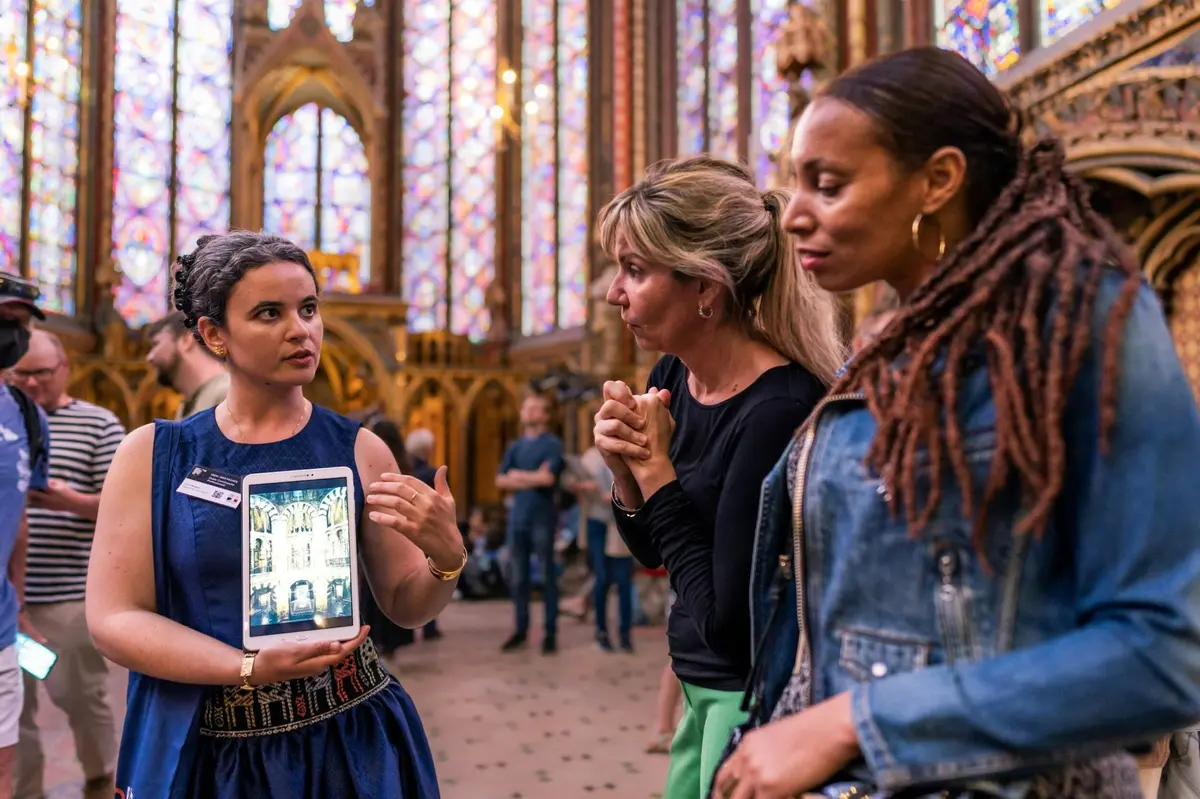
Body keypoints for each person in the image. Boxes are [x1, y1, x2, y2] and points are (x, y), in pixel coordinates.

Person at [711, 47, 1200, 799]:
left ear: (937, 179)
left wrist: (858, 722)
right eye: (793, 182)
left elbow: (1163, 653)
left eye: (827, 184)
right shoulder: (887, 342)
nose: (794, 213)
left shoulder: (1080, 324)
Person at [86, 232, 468, 797]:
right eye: (270, 313)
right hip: (208, 749)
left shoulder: (360, 449)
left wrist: (446, 557)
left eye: (308, 308)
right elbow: (114, 620)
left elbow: (406, 607)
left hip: (347, 741)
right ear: (214, 334)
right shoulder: (153, 455)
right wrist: (246, 666)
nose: (301, 329)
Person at [592, 155, 844, 799]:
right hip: (697, 687)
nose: (612, 292)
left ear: (705, 287)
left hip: (751, 703)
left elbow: (728, 623)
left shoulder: (777, 409)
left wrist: (656, 472)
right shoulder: (672, 376)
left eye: (634, 270)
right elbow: (655, 550)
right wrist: (626, 475)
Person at [10, 330, 124, 799]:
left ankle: (101, 782)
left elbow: (124, 508)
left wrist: (68, 501)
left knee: (82, 701)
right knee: (13, 714)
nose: (32, 383)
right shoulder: (6, 420)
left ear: (65, 369)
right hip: (9, 602)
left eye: (42, 372)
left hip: (69, 598)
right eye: (22, 373)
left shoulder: (99, 424)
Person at [0, 274, 49, 799]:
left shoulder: (28, 417)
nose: (14, 333)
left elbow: (18, 517)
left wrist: (20, 604)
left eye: (21, 324)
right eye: (5, 321)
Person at [495, 394, 564, 654]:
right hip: (518, 518)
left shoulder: (552, 444)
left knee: (546, 575)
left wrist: (518, 476)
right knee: (519, 576)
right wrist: (532, 477)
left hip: (542, 517)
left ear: (546, 415)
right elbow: (500, 480)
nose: (529, 412)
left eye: (535, 408)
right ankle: (521, 629)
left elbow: (548, 479)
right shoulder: (515, 446)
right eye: (526, 407)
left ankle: (550, 633)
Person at [575, 445, 634, 653]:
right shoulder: (589, 457)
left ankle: (625, 635)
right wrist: (584, 487)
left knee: (624, 580)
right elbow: (571, 483)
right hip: (597, 522)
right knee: (601, 578)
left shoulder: (627, 451)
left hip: (622, 523)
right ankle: (602, 634)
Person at [146, 309, 229, 419]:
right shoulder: (185, 406)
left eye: (156, 344)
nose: (149, 357)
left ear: (186, 340)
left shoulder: (226, 394)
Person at [404, 428, 442, 640]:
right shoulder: (431, 474)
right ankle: (429, 626)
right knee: (432, 575)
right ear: (428, 450)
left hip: (405, 528)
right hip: (426, 530)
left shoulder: (404, 471)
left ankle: (407, 627)